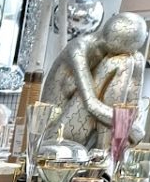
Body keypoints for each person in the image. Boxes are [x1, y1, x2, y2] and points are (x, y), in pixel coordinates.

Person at [41, 12, 148, 149]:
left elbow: (130, 102)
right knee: (121, 63)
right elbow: (90, 104)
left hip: (88, 126)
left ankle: (112, 150)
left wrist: (131, 124)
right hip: (57, 133)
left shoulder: (120, 55)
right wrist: (127, 125)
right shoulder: (78, 49)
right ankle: (105, 149)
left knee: (137, 59)